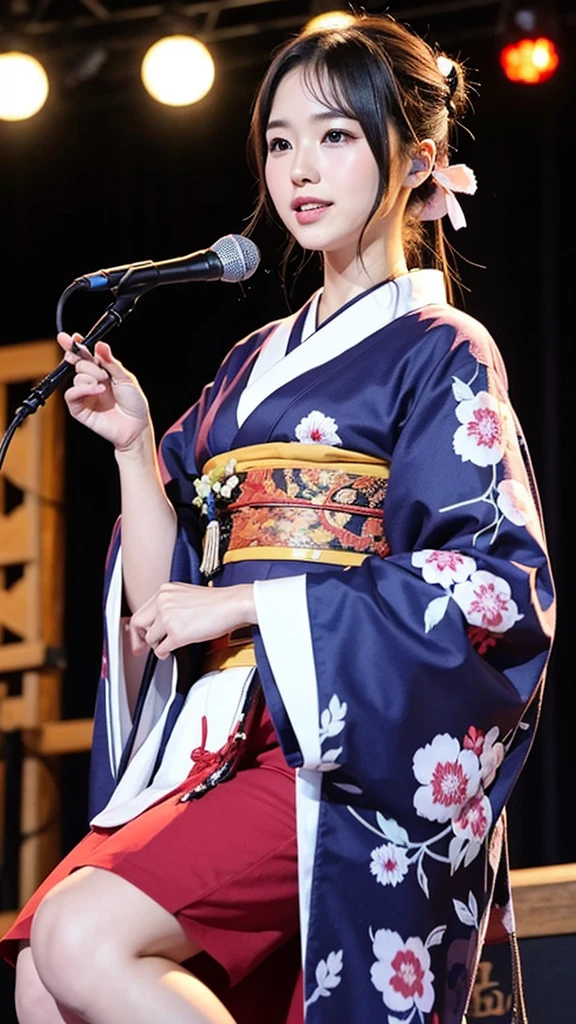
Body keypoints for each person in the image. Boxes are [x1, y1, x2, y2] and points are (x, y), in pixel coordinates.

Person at [1, 13, 554, 1024]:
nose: (300, 167)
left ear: (416, 158)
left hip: (337, 748)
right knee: (45, 975)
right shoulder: (248, 367)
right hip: (229, 736)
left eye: (337, 135)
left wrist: (250, 607)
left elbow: (488, 587)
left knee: (80, 936)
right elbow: (171, 589)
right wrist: (133, 448)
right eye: (280, 141)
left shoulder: (443, 349)